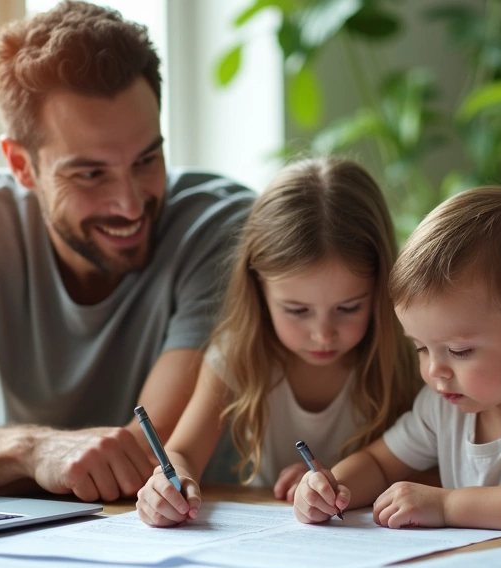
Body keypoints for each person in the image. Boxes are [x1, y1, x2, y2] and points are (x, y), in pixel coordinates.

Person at [0, 1, 252, 502]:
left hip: (181, 523)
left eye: (147, 159)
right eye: (90, 173)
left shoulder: (222, 231)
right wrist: (29, 449)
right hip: (15, 526)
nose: (130, 204)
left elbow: (148, 456)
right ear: (22, 165)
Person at [294, 186, 501, 531]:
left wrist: (446, 504)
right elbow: (379, 463)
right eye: (421, 348)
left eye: (459, 351)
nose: (435, 370)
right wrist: (330, 488)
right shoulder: (443, 405)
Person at [135, 157, 423, 527]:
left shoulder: (415, 357)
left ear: (381, 288)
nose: (323, 334)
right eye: (297, 310)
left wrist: (335, 481)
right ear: (259, 290)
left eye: (349, 308)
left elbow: (434, 468)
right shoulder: (236, 355)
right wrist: (167, 486)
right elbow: (184, 453)